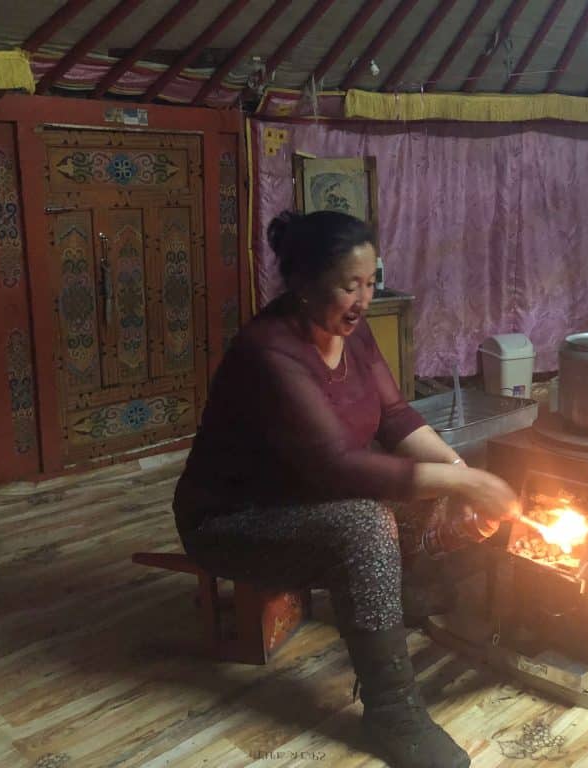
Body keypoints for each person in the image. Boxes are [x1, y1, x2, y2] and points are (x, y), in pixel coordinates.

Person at [173, 210, 519, 768]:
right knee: (365, 524)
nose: (363, 299)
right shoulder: (270, 353)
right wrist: (467, 479)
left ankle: (392, 596)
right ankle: (393, 713)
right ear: (305, 284)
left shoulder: (351, 335)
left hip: (305, 497)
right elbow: (338, 468)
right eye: (348, 285)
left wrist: (460, 473)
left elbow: (396, 417)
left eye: (371, 282)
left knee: (437, 499)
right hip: (233, 518)